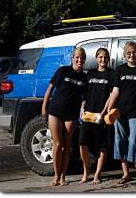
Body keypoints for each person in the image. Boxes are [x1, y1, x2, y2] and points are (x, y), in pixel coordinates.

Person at [42, 47, 88, 186]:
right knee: (57, 144)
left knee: (67, 146)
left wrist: (82, 108)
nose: (79, 60)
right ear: (72, 58)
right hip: (55, 111)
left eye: (82, 58)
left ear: (84, 60)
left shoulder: (84, 77)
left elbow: (84, 97)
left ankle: (63, 176)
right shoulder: (63, 70)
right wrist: (44, 106)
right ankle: (56, 176)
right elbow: (50, 88)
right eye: (77, 57)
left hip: (71, 114)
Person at [107, 41, 136, 185]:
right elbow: (115, 91)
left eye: (134, 52)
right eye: (129, 52)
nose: (132, 55)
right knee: (120, 141)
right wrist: (109, 109)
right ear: (124, 55)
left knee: (134, 140)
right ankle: (126, 174)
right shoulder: (119, 70)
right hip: (120, 111)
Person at [79, 48, 114, 185]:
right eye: (100, 57)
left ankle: (97, 174)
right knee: (82, 142)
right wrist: (82, 109)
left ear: (108, 59)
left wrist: (103, 112)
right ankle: (86, 171)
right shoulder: (90, 73)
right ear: (96, 58)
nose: (103, 60)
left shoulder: (111, 74)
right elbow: (85, 94)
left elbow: (111, 95)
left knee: (102, 146)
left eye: (105, 57)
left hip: (101, 115)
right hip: (88, 114)